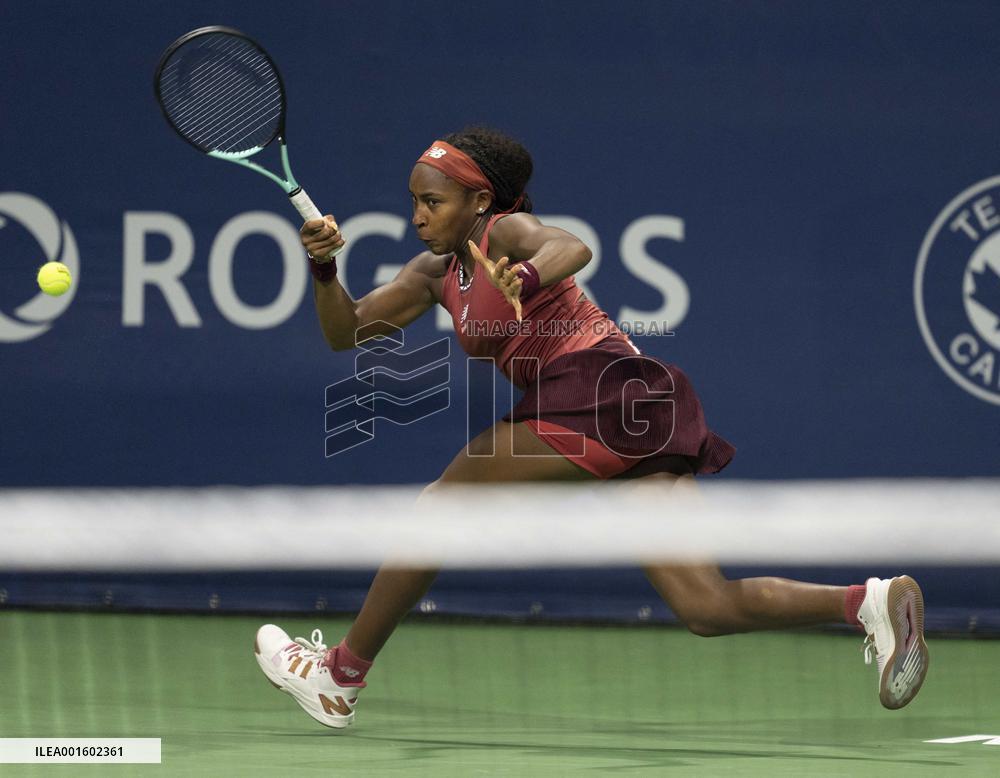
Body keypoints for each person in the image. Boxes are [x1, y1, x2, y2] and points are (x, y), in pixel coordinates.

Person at [253, 127, 929, 728]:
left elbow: (568, 246)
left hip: (596, 390)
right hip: (638, 405)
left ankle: (340, 675)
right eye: (415, 201)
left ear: (480, 202)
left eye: (433, 202)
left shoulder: (505, 233)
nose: (417, 216)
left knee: (438, 512)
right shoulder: (432, 274)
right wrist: (323, 266)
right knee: (706, 606)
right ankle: (865, 603)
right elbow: (347, 331)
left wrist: (523, 273)